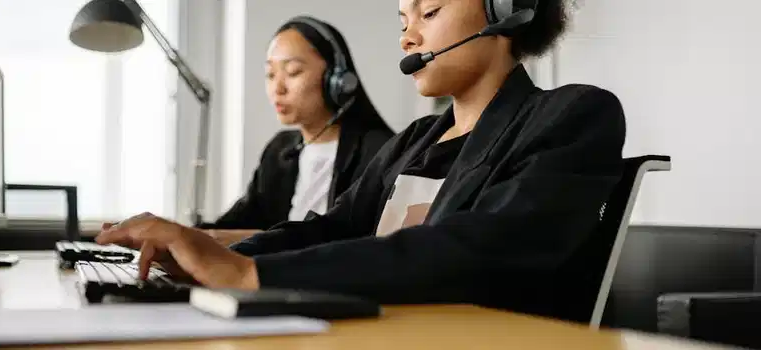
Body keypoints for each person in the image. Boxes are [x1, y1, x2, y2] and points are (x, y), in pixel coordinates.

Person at [97, 0, 627, 324]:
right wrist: (201, 258)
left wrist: (250, 273)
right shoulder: (417, 140)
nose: (408, 36)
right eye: (403, 17)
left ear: (505, 9)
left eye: (430, 12)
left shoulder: (572, 115)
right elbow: (332, 230)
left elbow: (479, 248)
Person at [197, 16, 394, 245]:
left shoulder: (379, 152)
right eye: (270, 74)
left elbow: (350, 243)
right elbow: (235, 223)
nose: (277, 88)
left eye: (292, 72)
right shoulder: (281, 150)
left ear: (337, 80)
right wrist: (182, 235)